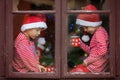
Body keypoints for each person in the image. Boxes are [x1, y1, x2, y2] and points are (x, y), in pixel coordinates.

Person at [70, 4, 109, 73]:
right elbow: (93, 52)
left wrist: (88, 60)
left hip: (95, 67)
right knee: (74, 71)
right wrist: (80, 44)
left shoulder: (99, 33)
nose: (85, 30)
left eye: (86, 27)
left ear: (93, 23)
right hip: (95, 66)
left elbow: (103, 51)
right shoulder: (99, 32)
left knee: (74, 73)